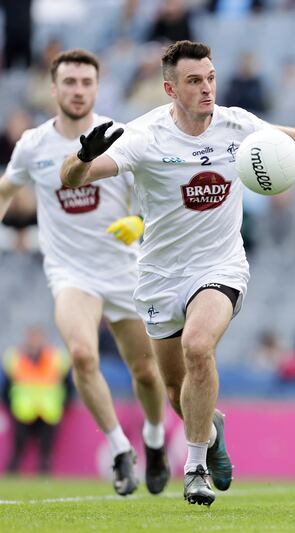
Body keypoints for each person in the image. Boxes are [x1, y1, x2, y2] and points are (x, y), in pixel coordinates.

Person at [60, 40, 295, 507]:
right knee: (180, 392)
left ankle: (194, 467)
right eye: (194, 81)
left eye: (211, 78)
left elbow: (294, 140)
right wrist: (81, 158)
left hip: (220, 266)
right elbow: (72, 179)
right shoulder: (143, 136)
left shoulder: (238, 124)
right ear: (170, 89)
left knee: (198, 345)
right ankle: (211, 427)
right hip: (159, 275)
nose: (206, 89)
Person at [0, 49, 169, 496]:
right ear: (53, 89)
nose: (78, 90)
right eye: (69, 82)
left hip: (125, 270)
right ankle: (118, 449)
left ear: (97, 87)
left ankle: (153, 441)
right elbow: (6, 188)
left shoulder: (120, 136)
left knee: (148, 374)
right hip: (71, 272)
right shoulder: (34, 145)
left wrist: (141, 223)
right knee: (80, 354)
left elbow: (159, 196)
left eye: (86, 82)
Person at [2, 325, 70, 474]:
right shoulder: (15, 358)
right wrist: (10, 406)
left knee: (46, 452)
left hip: (48, 412)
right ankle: (11, 477)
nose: (35, 341)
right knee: (18, 449)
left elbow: (67, 385)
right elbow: (7, 387)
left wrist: (63, 404)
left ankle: (44, 479)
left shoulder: (55, 358)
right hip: (23, 411)